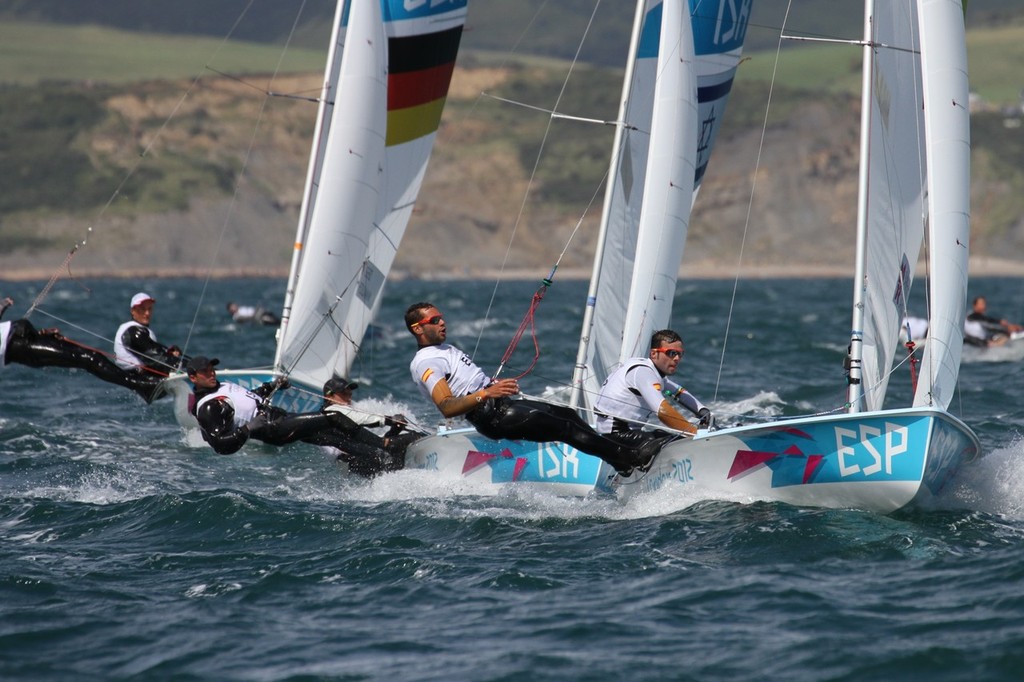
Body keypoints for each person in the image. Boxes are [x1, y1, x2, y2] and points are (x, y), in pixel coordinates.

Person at [404, 301, 667, 475]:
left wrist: (490, 386)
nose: (442, 323)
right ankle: (631, 457)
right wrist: (487, 393)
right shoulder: (427, 361)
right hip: (491, 416)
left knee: (568, 415)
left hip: (500, 406)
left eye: (441, 318)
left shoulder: (442, 350)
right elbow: (447, 406)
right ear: (418, 328)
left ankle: (617, 459)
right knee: (565, 429)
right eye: (435, 320)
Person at [187, 355, 384, 458]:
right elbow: (221, 446)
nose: (211, 373)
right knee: (333, 417)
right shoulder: (208, 406)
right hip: (274, 429)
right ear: (193, 377)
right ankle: (384, 446)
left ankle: (375, 459)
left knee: (330, 436)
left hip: (281, 419)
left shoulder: (222, 387)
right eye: (205, 372)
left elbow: (251, 398)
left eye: (212, 369)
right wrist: (249, 428)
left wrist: (272, 386)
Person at [0, 296, 163, 403]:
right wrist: (2, 306)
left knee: (92, 356)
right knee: (88, 359)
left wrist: (40, 334)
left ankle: (143, 383)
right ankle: (141, 386)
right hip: (20, 348)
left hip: (25, 337)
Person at [593, 329, 713, 446]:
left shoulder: (653, 373)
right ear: (654, 354)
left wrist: (702, 411)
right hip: (616, 434)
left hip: (627, 432)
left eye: (680, 354)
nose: (677, 358)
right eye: (671, 353)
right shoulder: (643, 372)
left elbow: (678, 393)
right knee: (675, 442)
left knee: (662, 435)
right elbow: (662, 411)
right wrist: (694, 433)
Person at [319, 376, 423, 476]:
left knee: (393, 442)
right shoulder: (332, 411)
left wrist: (394, 429)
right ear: (329, 396)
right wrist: (389, 420)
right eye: (344, 392)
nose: (349, 395)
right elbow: (363, 418)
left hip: (359, 458)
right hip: (354, 460)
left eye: (350, 392)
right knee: (414, 437)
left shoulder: (335, 413)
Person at [114, 292, 184, 376]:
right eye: (142, 309)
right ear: (133, 311)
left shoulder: (141, 329)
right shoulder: (132, 331)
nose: (147, 313)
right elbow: (155, 357)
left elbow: (154, 351)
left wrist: (169, 352)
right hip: (137, 376)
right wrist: (181, 364)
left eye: (149, 309)